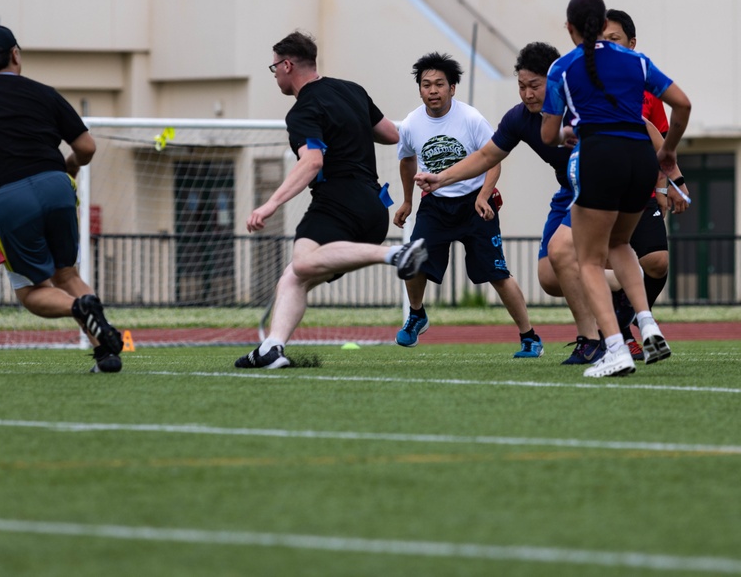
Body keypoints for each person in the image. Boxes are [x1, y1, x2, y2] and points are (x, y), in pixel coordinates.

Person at [236, 30, 427, 370]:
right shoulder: (351, 90)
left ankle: (396, 254)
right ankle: (272, 348)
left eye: (274, 68)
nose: (275, 75)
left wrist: (269, 205)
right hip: (373, 208)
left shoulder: (302, 110)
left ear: (287, 65)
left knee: (304, 265)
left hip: (338, 203)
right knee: (294, 277)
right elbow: (391, 135)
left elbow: (311, 162)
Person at [0, 25, 123, 373]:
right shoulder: (44, 94)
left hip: (7, 197)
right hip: (56, 185)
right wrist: (69, 168)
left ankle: (78, 309)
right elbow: (86, 147)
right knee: (67, 274)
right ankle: (106, 354)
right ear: (15, 54)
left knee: (31, 291)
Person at [413, 43, 603, 364]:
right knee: (549, 277)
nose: (527, 94)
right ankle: (621, 295)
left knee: (633, 260)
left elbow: (640, 126)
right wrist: (440, 179)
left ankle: (599, 336)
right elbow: (487, 156)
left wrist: (665, 175)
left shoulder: (583, 104)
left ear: (555, 81)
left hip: (606, 187)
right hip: (569, 191)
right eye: (521, 86)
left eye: (535, 86)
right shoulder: (518, 119)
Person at [541, 0, 691, 378]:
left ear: (570, 27)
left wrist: (568, 133)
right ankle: (649, 324)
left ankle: (614, 348)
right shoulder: (637, 61)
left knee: (588, 259)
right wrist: (669, 151)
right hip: (641, 158)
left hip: (599, 157)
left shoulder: (562, 68)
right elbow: (683, 104)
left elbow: (547, 134)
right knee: (620, 243)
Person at [395, 53, 542, 358]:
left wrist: (483, 195)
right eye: (426, 85)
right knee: (412, 260)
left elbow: (494, 160)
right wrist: (408, 200)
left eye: (439, 84)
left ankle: (529, 337)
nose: (432, 90)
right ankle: (417, 313)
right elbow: (407, 159)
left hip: (475, 204)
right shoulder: (411, 123)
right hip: (435, 205)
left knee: (498, 273)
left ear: (452, 88)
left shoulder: (471, 118)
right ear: (419, 89)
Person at [602, 8, 690, 356]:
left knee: (656, 260)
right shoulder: (589, 79)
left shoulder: (647, 82)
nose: (607, 46)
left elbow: (660, 140)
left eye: (615, 39)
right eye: (601, 40)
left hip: (642, 185)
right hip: (600, 187)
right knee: (597, 263)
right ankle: (617, 332)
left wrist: (669, 183)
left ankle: (634, 312)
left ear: (632, 43)